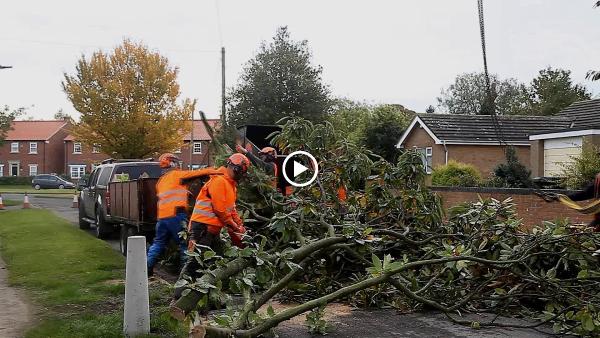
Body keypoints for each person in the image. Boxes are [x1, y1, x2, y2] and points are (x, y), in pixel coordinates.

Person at [174, 153, 250, 297]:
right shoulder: (219, 181)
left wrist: (241, 226)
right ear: (235, 168)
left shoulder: (231, 186)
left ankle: (206, 296)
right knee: (194, 263)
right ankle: (178, 298)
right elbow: (220, 210)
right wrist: (234, 226)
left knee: (218, 261)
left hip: (213, 231)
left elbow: (231, 210)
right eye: (240, 171)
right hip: (201, 228)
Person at [146, 153, 218, 276]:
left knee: (158, 243)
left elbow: (174, 192)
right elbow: (196, 174)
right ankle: (185, 275)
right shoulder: (177, 175)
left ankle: (147, 269)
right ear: (172, 163)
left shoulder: (161, 182)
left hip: (162, 218)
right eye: (176, 162)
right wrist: (214, 170)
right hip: (176, 215)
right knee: (185, 244)